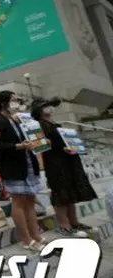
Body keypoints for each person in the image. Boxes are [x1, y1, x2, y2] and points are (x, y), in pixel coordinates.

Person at [33, 98, 96, 237]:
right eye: (47, 106)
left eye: (51, 106)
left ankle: (74, 222)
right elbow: (41, 144)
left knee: (70, 192)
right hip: (55, 162)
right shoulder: (39, 125)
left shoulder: (55, 123)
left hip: (68, 160)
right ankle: (64, 224)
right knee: (60, 192)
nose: (50, 108)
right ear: (39, 109)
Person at [0, 91, 45, 251]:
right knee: (19, 202)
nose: (17, 103)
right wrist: (19, 146)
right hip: (13, 167)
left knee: (30, 201)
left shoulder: (16, 120)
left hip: (27, 164)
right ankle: (26, 239)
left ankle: (36, 235)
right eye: (14, 100)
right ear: (3, 103)